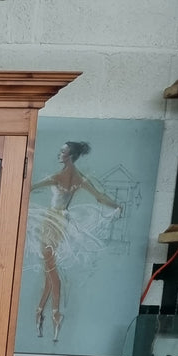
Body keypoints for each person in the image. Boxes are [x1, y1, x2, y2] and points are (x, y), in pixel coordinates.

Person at [30, 141, 122, 343]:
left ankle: (54, 314)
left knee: (51, 269)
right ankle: (41, 312)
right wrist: (116, 205)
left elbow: (31, 187)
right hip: (58, 221)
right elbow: (99, 197)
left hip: (53, 222)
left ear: (69, 156)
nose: (59, 153)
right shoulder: (77, 178)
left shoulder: (59, 176)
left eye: (62, 151)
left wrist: (116, 205)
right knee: (49, 269)